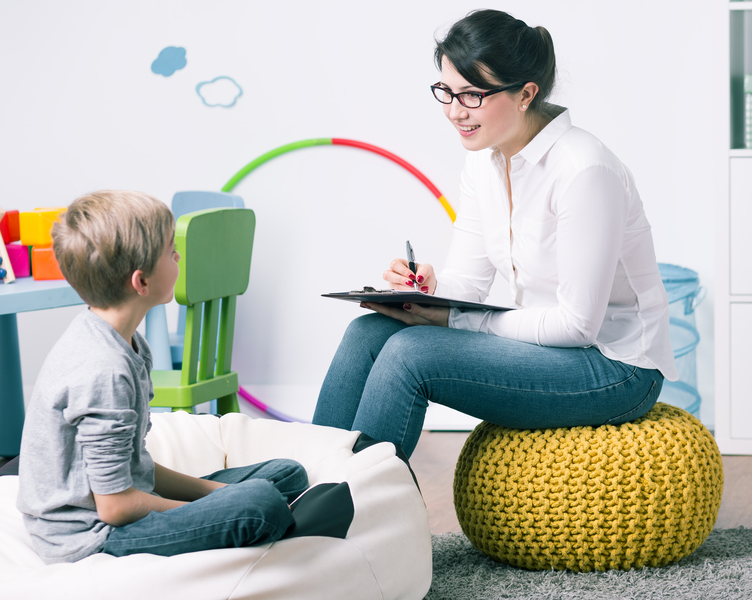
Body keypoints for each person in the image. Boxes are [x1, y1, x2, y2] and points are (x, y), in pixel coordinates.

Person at [313, 9, 677, 458]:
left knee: (410, 353)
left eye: (472, 96)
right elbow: (467, 283)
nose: (453, 111)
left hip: (614, 368)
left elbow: (578, 325)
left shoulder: (584, 170)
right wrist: (428, 292)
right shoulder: (484, 161)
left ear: (526, 94)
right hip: (542, 347)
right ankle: (305, 485)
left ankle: (358, 507)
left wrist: (451, 318)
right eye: (445, 91)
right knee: (367, 332)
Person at [16, 190, 308, 564]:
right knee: (261, 504)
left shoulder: (127, 341)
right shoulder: (102, 369)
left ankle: (256, 505)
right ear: (141, 282)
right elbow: (116, 507)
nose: (178, 257)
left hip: (122, 500)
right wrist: (222, 500)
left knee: (288, 474)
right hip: (92, 535)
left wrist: (215, 493)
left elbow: (138, 465)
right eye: (171, 251)